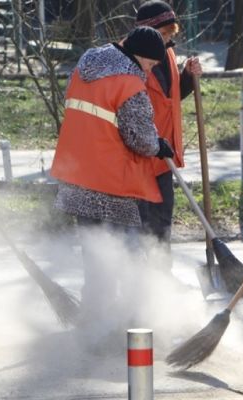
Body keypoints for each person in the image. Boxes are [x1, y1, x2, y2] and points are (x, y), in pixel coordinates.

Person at [50, 27, 172, 336]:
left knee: (96, 254)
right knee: (124, 254)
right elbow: (140, 138)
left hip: (77, 179)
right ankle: (126, 323)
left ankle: (93, 322)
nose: (150, 70)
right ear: (140, 56)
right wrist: (158, 145)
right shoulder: (129, 83)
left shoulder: (85, 66)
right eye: (151, 63)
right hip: (111, 184)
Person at [135, 0, 202, 269]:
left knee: (162, 222)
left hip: (164, 157)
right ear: (147, 31)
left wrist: (186, 77)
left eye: (169, 35)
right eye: (162, 34)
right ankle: (139, 281)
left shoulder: (168, 53)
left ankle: (163, 278)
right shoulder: (132, 59)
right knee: (141, 226)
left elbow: (169, 99)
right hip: (139, 157)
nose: (166, 40)